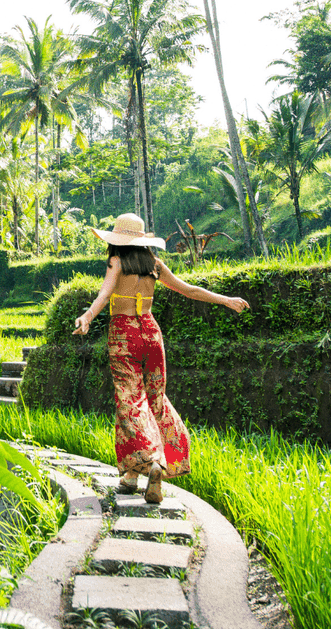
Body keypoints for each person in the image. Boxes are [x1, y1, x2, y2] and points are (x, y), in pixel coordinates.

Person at [72, 213, 249, 503]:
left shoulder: (116, 262)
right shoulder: (154, 264)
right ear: (142, 240)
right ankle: (131, 476)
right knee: (155, 399)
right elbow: (188, 290)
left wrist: (88, 316)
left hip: (124, 335)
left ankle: (152, 461)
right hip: (152, 335)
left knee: (130, 399)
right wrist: (225, 300)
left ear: (117, 240)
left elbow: (104, 295)